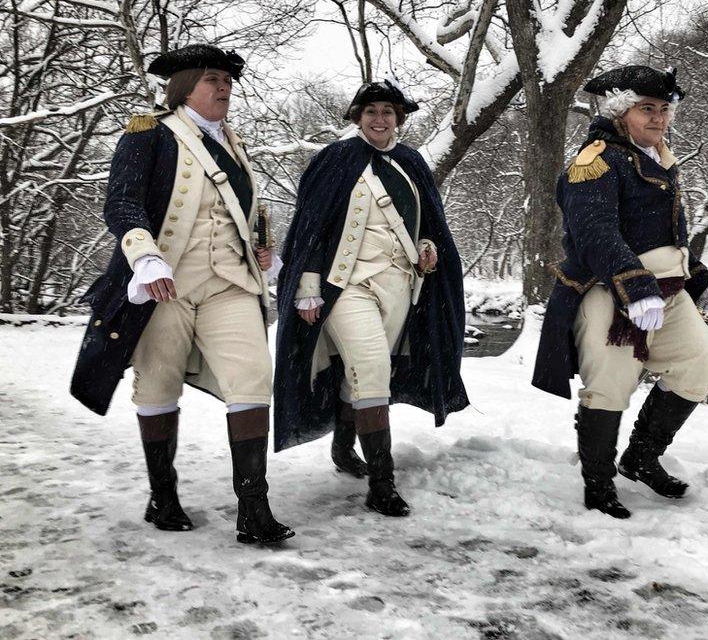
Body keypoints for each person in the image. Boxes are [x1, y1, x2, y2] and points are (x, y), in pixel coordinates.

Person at [70, 44, 294, 544]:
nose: (223, 87)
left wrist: (265, 250)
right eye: (212, 78)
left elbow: (250, 211)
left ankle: (253, 507)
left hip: (231, 283)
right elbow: (122, 200)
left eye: (227, 80)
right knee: (157, 383)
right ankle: (163, 494)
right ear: (184, 85)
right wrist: (144, 255)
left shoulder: (234, 144)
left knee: (253, 378)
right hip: (165, 281)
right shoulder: (149, 133)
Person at [533, 65, 708, 519]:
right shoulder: (595, 160)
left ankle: (639, 458)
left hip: (669, 292)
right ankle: (598, 484)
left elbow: (665, 236)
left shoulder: (659, 156)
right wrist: (636, 287)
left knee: (698, 365)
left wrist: (698, 279)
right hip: (610, 291)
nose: (658, 118)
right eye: (647, 109)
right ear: (621, 112)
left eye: (663, 109)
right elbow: (595, 231)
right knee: (611, 386)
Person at [274, 79, 467, 517]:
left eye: (387, 112)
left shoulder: (411, 162)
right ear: (358, 117)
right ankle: (383, 483)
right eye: (371, 112)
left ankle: (344, 450)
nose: (379, 119)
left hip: (399, 285)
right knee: (374, 368)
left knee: (361, 373)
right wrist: (307, 286)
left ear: (398, 119)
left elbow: (426, 225)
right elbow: (310, 227)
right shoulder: (335, 159)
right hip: (346, 285)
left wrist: (428, 247)